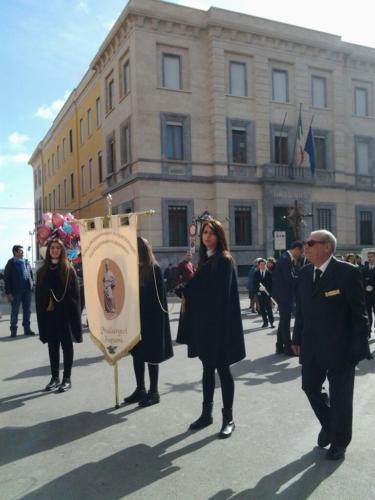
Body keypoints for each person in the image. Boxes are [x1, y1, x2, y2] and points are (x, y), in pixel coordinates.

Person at [292, 230, 371, 461]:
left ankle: (339, 442)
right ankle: (329, 424)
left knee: (341, 398)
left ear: (326, 247)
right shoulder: (305, 273)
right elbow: (302, 312)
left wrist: (359, 346)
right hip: (312, 345)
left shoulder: (347, 272)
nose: (305, 247)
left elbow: (360, 314)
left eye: (310, 243)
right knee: (309, 387)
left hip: (341, 347)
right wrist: (296, 338)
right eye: (306, 243)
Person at [177, 219, 246, 438]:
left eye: (212, 233)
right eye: (204, 232)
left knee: (223, 371)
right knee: (207, 370)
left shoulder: (223, 260)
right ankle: (206, 414)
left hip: (220, 328)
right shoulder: (205, 259)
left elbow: (217, 294)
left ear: (219, 236)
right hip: (205, 327)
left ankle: (229, 419)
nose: (207, 236)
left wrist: (188, 289)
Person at [124, 237, 173, 407]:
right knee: (137, 355)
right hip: (136, 321)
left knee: (152, 357)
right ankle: (140, 389)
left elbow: (159, 301)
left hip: (151, 322)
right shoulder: (133, 269)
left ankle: (154, 391)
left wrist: (152, 323)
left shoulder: (154, 269)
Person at [35, 238, 82, 392]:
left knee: (67, 347)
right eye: (52, 248)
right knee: (52, 347)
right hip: (50, 316)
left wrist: (75, 317)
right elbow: (38, 296)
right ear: (48, 251)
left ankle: (67, 378)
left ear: (62, 251)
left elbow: (76, 296)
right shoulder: (42, 271)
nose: (54, 250)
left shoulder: (69, 270)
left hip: (65, 316)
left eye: (57, 248)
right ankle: (54, 377)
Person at [272, 241, 303, 355]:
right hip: (284, 294)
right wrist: (301, 278)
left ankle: (279, 346)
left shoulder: (285, 258)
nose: (301, 254)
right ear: (295, 249)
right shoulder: (285, 259)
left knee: (283, 321)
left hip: (284, 294)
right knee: (285, 321)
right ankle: (288, 347)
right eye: (300, 251)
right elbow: (289, 278)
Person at [4, 245, 35, 337]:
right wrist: (9, 293)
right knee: (15, 311)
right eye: (21, 251)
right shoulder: (10, 263)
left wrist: (32, 285)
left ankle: (27, 329)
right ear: (15, 252)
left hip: (27, 290)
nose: (23, 252)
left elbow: (30, 274)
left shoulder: (25, 262)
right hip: (16, 292)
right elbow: (7, 279)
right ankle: (13, 330)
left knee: (27, 311)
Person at [253, 259, 274, 328]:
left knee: (269, 308)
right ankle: (265, 322)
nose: (263, 266)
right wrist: (259, 289)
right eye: (261, 264)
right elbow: (254, 284)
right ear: (258, 265)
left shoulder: (269, 273)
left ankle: (271, 322)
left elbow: (272, 284)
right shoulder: (256, 273)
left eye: (264, 264)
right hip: (260, 294)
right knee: (262, 309)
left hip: (267, 294)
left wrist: (270, 292)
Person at [362, 250, 375, 337]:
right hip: (367, 295)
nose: (369, 258)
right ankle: (368, 330)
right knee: (368, 313)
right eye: (368, 257)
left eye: (371, 256)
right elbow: (361, 280)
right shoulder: (364, 268)